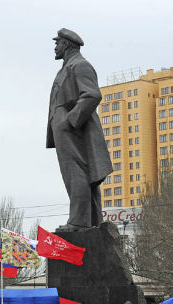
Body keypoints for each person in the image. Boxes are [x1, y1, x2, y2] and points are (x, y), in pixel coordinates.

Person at [47, 28, 113, 232]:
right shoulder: (67, 67)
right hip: (66, 129)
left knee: (76, 173)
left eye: (58, 43)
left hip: (73, 129)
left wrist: (69, 121)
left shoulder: (80, 66)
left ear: (66, 44)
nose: (55, 47)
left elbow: (92, 95)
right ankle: (90, 221)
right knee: (78, 175)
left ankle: (78, 222)